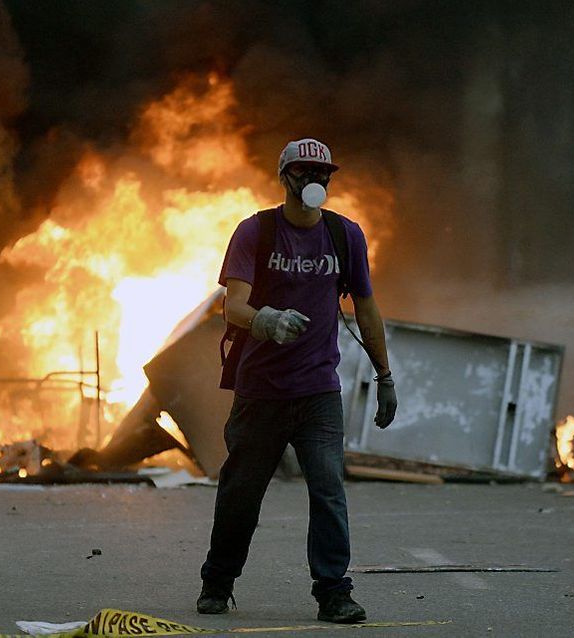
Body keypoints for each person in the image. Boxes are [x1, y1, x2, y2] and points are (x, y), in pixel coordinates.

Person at [197, 138, 397, 624]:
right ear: (284, 177)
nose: (314, 181)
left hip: (317, 392)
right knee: (242, 491)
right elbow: (234, 306)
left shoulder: (344, 235)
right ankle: (218, 581)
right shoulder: (256, 232)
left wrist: (385, 376)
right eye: (304, 172)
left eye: (323, 173)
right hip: (261, 391)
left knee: (328, 488)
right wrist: (266, 320)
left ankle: (333, 592)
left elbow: (365, 308)